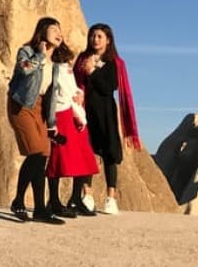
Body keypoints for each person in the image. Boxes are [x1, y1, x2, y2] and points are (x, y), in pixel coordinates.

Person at [73, 23, 140, 216]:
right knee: (88, 151)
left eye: (100, 36)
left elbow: (109, 87)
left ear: (108, 40)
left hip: (106, 112)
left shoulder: (114, 62)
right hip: (85, 111)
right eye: (93, 36)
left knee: (110, 154)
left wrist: (92, 72)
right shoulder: (82, 59)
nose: (95, 39)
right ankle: (87, 195)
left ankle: (111, 198)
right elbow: (77, 83)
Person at [7, 16, 65, 224]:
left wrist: (51, 123)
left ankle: (39, 208)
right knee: (34, 152)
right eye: (54, 29)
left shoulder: (56, 64)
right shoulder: (28, 52)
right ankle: (19, 201)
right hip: (21, 105)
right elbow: (24, 69)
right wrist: (40, 55)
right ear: (43, 31)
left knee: (41, 157)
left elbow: (51, 96)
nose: (59, 33)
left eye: (61, 30)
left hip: (40, 108)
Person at [45, 41, 99, 218]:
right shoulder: (61, 70)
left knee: (74, 156)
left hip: (68, 115)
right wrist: (81, 116)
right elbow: (68, 96)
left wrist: (79, 98)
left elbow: (73, 92)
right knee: (61, 157)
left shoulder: (63, 70)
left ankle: (69, 199)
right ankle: (59, 200)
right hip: (65, 116)